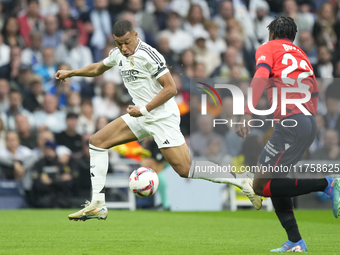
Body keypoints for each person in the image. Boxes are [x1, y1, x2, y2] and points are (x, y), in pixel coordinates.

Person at [55, 20, 261, 221]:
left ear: (135, 35)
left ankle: (240, 180)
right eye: (119, 44)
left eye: (127, 42)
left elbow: (171, 88)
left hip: (162, 117)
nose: (124, 48)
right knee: (97, 142)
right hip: (141, 114)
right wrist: (71, 73)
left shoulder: (149, 55)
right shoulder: (118, 53)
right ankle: (97, 205)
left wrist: (144, 109)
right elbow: (98, 68)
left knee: (185, 169)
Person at [235, 16, 340, 252]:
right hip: (308, 122)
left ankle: (327, 184)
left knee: (261, 186)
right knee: (276, 181)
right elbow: (314, 91)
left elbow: (261, 76)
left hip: (290, 124)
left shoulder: (268, 48)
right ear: (292, 37)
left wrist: (247, 112)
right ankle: (295, 241)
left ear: (272, 33)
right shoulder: (303, 56)